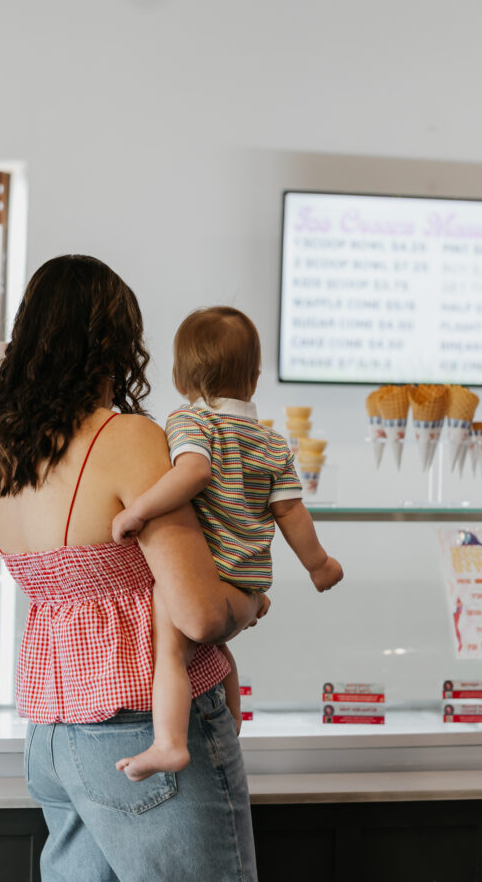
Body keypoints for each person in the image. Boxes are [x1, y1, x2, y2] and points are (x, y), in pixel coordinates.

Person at [0, 256, 266, 882]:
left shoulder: (3, 453)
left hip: (53, 735)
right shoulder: (125, 438)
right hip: (140, 728)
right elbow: (203, 614)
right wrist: (252, 604)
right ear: (117, 343)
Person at [112, 306, 343, 782]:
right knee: (215, 650)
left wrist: (137, 511)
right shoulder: (271, 442)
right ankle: (231, 721)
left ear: (179, 377)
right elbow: (291, 513)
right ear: (254, 379)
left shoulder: (191, 423)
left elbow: (192, 473)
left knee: (173, 652)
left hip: (206, 581)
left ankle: (170, 743)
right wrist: (318, 565)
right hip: (247, 589)